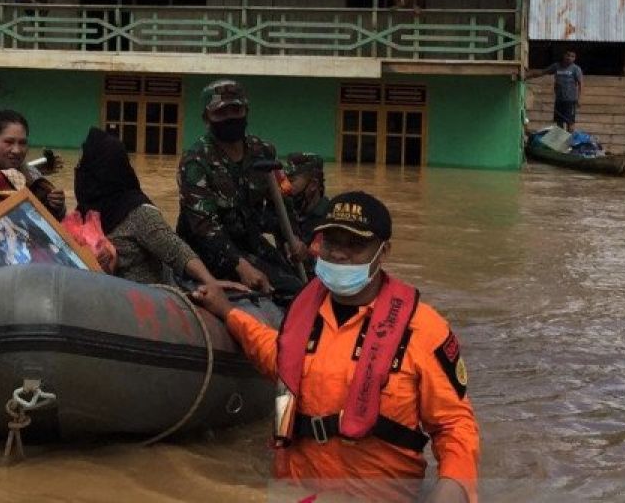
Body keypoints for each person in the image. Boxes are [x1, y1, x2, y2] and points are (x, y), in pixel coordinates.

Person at [190, 192, 479, 503]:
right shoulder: (303, 314)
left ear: (383, 252)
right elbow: (277, 358)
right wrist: (227, 312)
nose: (339, 254)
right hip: (297, 490)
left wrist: (454, 487)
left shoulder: (423, 329)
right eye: (331, 243)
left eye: (354, 245)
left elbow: (454, 426)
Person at [177, 80, 306, 295]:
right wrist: (242, 267)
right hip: (209, 251)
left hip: (250, 241)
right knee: (290, 289)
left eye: (236, 110)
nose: (230, 118)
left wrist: (292, 241)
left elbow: (282, 204)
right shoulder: (196, 161)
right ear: (206, 118)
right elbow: (204, 227)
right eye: (221, 113)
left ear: (246, 111)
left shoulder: (263, 152)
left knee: (308, 278)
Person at [76, 127, 240, 291]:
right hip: (103, 297)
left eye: (84, 165)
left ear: (102, 171)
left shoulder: (138, 212)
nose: (79, 171)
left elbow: (175, 249)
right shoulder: (85, 212)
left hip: (146, 301)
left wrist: (209, 280)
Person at [0, 109, 66, 218]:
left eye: (22, 143)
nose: (16, 150)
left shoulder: (32, 175)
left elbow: (52, 221)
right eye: (9, 142)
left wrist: (57, 206)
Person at [526, 50, 584, 131]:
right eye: (568, 55)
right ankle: (561, 142)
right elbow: (543, 72)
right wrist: (528, 76)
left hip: (570, 100)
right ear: (564, 55)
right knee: (559, 122)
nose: (569, 58)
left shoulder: (576, 69)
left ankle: (570, 142)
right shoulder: (556, 66)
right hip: (559, 100)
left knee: (570, 122)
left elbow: (581, 84)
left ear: (574, 58)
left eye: (572, 56)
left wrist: (579, 99)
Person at [284, 152, 331, 245]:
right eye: (284, 180)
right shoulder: (285, 209)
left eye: (291, 181)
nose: (285, 186)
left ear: (313, 185)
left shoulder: (328, 219)